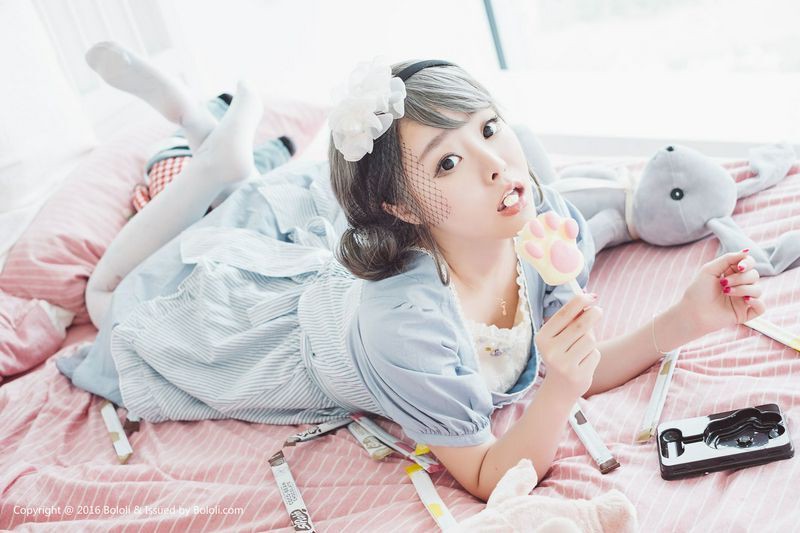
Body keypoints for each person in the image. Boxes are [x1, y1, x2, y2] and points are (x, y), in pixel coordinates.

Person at [59, 42, 765, 501]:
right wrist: (558, 393)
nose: (496, 164)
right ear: (402, 205)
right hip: (251, 331)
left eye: (489, 127)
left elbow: (574, 359)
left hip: (337, 279)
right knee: (109, 298)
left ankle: (221, 154)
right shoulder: (406, 325)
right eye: (449, 161)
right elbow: (488, 473)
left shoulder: (539, 223)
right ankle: (208, 148)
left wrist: (688, 317)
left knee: (250, 208)